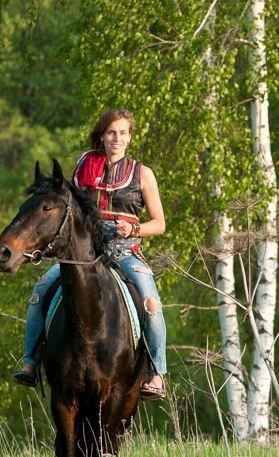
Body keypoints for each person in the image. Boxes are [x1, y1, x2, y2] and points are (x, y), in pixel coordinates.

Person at [12, 108, 168, 399]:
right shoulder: (86, 164)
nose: (116, 139)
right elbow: (72, 208)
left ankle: (156, 372)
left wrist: (133, 230)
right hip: (87, 251)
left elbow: (159, 223)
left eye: (122, 133)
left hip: (126, 253)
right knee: (41, 289)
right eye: (111, 133)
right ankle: (31, 361)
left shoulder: (142, 174)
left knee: (151, 304)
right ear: (101, 135)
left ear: (130, 137)